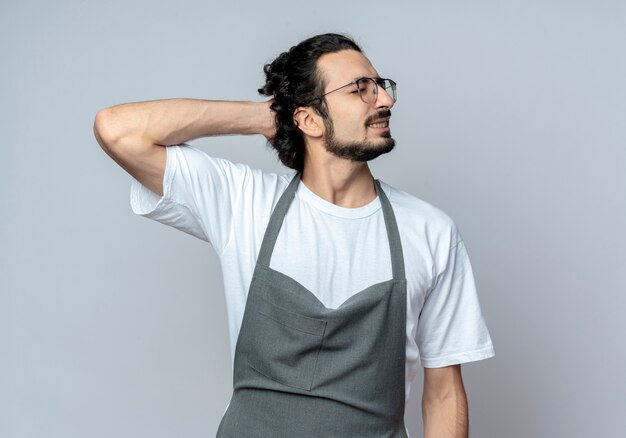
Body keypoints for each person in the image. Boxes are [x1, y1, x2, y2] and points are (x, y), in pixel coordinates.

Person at [94, 33, 494, 438]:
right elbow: (116, 130)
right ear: (308, 119)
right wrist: (264, 117)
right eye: (361, 89)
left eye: (381, 87)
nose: (385, 100)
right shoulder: (245, 203)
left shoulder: (430, 231)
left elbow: (444, 393)